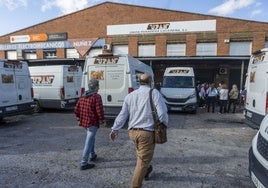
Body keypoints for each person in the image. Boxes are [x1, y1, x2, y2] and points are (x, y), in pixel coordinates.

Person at [109, 74, 168, 188]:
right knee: (142, 162)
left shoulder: (130, 95)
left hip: (132, 132)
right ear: (150, 81)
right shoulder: (154, 93)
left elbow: (123, 114)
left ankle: (146, 171)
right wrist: (164, 125)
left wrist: (114, 129)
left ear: (139, 82)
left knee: (141, 155)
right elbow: (162, 114)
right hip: (146, 133)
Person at [74, 79, 105, 170]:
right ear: (95, 87)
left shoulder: (83, 95)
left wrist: (78, 117)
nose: (99, 87)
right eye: (98, 86)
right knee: (89, 141)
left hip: (84, 122)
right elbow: (99, 110)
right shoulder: (96, 96)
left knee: (91, 138)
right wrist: (102, 120)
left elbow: (76, 109)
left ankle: (93, 155)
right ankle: (83, 163)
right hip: (92, 122)